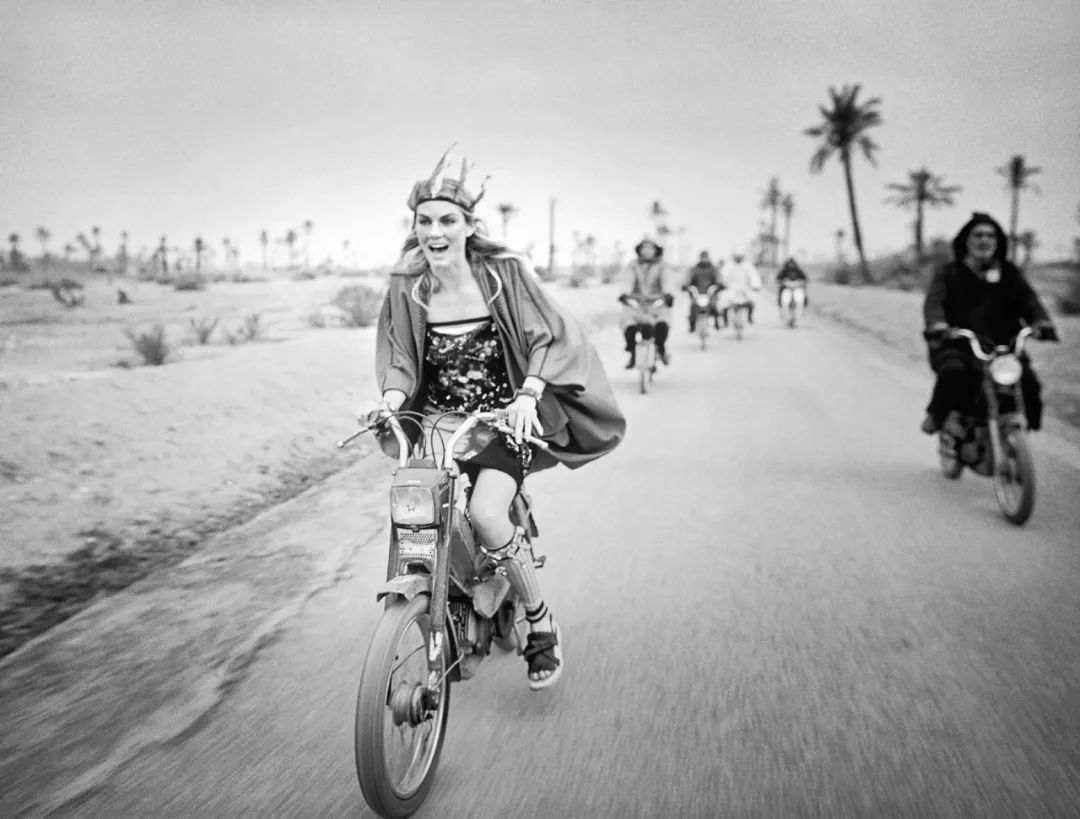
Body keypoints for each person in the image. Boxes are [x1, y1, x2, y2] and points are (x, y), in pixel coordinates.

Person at [368, 151, 626, 690]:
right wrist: (391, 403)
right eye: (424, 221)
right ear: (415, 227)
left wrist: (529, 395)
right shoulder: (407, 283)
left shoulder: (501, 275)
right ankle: (442, 592)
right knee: (416, 512)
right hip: (438, 421)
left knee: (486, 513)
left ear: (468, 226)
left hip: (503, 418)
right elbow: (400, 356)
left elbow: (545, 336)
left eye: (448, 220)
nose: (435, 232)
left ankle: (539, 620)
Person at [920, 212, 1058, 435]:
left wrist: (1041, 322)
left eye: (990, 236)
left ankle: (1024, 435)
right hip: (960, 344)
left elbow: (1029, 301)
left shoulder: (1009, 273)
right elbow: (934, 303)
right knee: (954, 371)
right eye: (978, 235)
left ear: (998, 241)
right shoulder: (949, 272)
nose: (984, 240)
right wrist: (937, 325)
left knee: (1029, 382)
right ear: (966, 240)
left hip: (1003, 347)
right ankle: (937, 415)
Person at [621, 236, 674, 368]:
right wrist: (625, 294)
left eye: (650, 248)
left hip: (657, 302)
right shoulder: (633, 265)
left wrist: (667, 294)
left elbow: (667, 281)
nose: (647, 251)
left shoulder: (663, 265)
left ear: (656, 250)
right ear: (639, 250)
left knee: (662, 325)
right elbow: (627, 281)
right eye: (644, 248)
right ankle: (633, 354)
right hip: (636, 302)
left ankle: (661, 348)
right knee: (629, 326)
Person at [682, 250, 723, 332]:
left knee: (714, 306)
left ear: (708, 258)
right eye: (702, 257)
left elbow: (718, 278)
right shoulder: (694, 269)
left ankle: (716, 322)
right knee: (693, 306)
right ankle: (692, 324)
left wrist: (719, 285)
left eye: (705, 257)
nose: (704, 259)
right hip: (697, 293)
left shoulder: (713, 268)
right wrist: (686, 285)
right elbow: (688, 278)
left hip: (710, 293)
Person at [722, 250, 762, 324]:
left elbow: (754, 276)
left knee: (753, 299)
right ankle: (725, 320)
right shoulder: (729, 265)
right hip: (731, 288)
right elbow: (723, 276)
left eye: (740, 256)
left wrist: (756, 285)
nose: (738, 258)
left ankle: (750, 316)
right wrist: (723, 284)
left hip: (745, 289)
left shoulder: (748, 265)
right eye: (737, 256)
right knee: (724, 300)